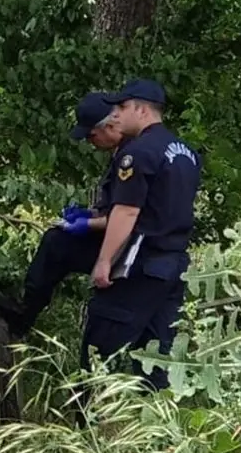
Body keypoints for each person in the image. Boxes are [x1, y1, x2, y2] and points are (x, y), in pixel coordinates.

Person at [79, 78, 201, 394]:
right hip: (175, 265)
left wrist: (105, 261)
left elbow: (127, 212)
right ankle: (158, 433)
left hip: (142, 262)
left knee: (97, 346)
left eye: (122, 107)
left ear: (141, 109)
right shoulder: (186, 152)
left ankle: (82, 425)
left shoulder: (138, 153)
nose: (115, 115)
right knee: (156, 357)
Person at [0, 92, 127, 338]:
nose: (89, 141)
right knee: (56, 241)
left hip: (127, 247)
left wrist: (88, 224)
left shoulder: (133, 157)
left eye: (91, 135)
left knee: (57, 244)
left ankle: (23, 317)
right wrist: (88, 214)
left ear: (109, 125)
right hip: (114, 234)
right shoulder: (118, 155)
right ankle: (25, 310)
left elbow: (128, 215)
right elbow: (115, 207)